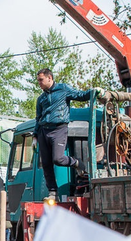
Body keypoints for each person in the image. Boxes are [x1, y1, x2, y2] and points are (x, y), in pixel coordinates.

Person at [33, 68, 99, 201]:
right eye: (38, 80)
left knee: (58, 158)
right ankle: (53, 192)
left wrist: (94, 92)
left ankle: (76, 162)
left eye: (41, 80)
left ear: (49, 78)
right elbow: (38, 118)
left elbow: (80, 95)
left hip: (59, 129)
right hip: (43, 131)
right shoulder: (41, 99)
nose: (39, 83)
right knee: (46, 163)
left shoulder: (63, 89)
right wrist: (35, 136)